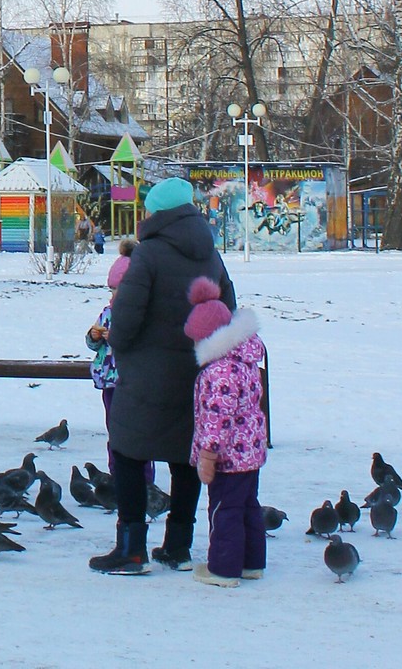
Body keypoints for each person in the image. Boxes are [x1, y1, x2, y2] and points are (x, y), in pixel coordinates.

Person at [90, 177, 235, 576]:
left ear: (158, 213)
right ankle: (178, 546)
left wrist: (121, 345)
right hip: (196, 373)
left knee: (127, 450)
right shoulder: (211, 254)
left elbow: (126, 319)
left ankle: (131, 547)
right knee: (185, 457)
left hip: (147, 376)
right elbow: (228, 310)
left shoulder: (149, 255)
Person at [184, 276, 267, 587]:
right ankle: (251, 562)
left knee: (224, 509)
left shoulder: (220, 372)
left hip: (228, 457)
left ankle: (224, 567)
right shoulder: (244, 362)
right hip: (251, 453)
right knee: (248, 506)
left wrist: (208, 454)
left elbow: (217, 419)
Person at [86, 237, 136, 469]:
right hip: (109, 381)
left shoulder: (140, 315)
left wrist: (115, 336)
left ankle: (141, 478)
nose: (114, 295)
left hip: (132, 382)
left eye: (120, 290)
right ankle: (115, 471)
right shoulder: (107, 313)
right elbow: (94, 344)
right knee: (113, 429)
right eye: (111, 289)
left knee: (135, 432)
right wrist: (94, 337)